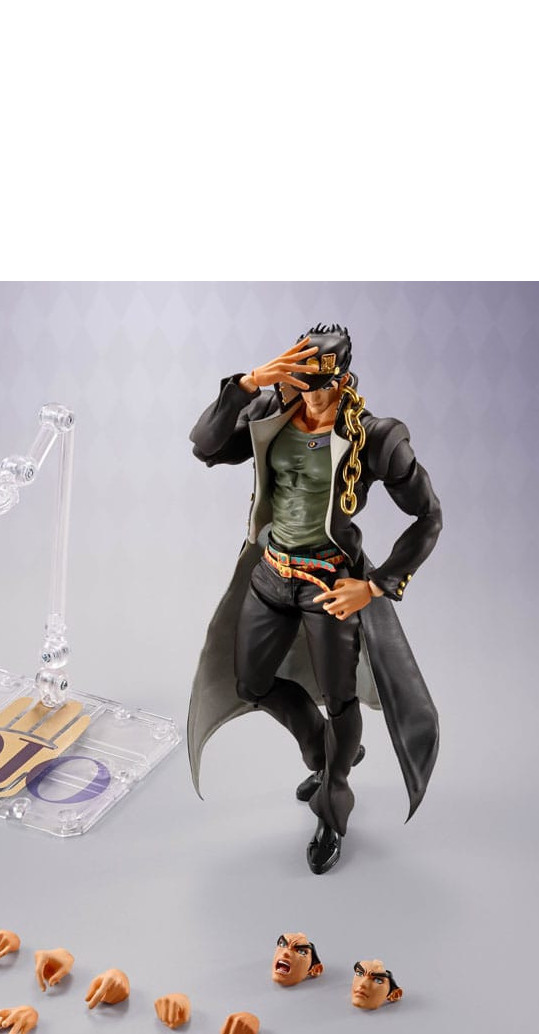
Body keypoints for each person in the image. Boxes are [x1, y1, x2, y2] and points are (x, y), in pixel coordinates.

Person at [187, 323, 442, 873]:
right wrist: (247, 385)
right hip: (271, 571)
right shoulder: (272, 412)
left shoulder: (375, 437)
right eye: (300, 384)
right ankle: (324, 751)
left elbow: (428, 516)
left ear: (343, 380)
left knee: (340, 698)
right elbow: (205, 445)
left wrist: (374, 585)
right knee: (251, 682)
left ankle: (334, 802)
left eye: (320, 386)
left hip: (328, 585)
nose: (309, 396)